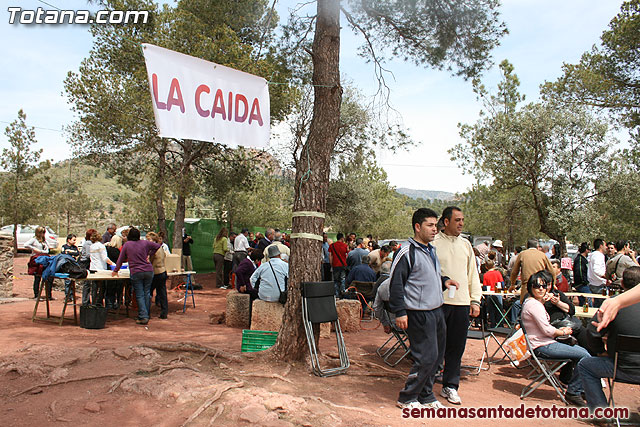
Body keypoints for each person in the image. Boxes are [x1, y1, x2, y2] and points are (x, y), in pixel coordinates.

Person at [390, 208, 459, 409]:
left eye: (435, 225)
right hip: (418, 312)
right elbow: (395, 284)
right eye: (430, 225)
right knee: (425, 357)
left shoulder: (431, 250)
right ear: (417, 227)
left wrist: (444, 281)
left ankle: (426, 396)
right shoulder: (405, 251)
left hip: (437, 310)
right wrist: (400, 312)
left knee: (437, 358)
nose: (435, 229)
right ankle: (407, 397)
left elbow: (430, 275)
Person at [432, 206, 481, 405]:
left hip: (461, 303)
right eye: (457, 220)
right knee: (434, 347)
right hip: (437, 303)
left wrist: (475, 299)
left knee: (456, 348)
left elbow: (473, 274)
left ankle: (450, 386)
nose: (461, 223)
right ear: (446, 222)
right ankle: (425, 386)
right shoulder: (433, 242)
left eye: (462, 220)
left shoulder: (466, 245)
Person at [521, 270, 589, 407]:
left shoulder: (534, 302)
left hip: (544, 343)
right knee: (585, 356)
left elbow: (570, 309)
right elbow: (547, 330)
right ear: (530, 288)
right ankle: (574, 391)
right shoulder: (534, 305)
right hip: (542, 346)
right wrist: (562, 332)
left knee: (582, 349)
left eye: (543, 286)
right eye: (537, 286)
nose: (541, 289)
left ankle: (578, 388)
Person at [579, 266, 640, 411]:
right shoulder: (614, 303)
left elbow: (592, 332)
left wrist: (600, 351)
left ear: (623, 284)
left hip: (619, 367)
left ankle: (602, 413)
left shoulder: (613, 304)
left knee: (585, 365)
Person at [112, 227, 161, 325]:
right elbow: (158, 245)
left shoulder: (127, 245)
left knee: (139, 294)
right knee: (147, 293)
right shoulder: (145, 243)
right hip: (148, 270)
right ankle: (146, 313)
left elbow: (120, 259)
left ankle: (143, 316)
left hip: (136, 271)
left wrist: (115, 270)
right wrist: (149, 255)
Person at [510, 238, 556, 303]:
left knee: (525, 305)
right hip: (540, 287)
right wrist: (553, 284)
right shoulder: (542, 255)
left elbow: (514, 272)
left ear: (527, 246)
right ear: (537, 246)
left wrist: (512, 284)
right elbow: (552, 271)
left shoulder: (522, 254)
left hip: (526, 286)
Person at [89, 230, 116, 305]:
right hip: (100, 269)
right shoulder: (101, 246)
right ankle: (99, 302)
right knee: (102, 287)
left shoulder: (91, 246)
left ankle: (94, 302)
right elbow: (105, 258)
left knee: (94, 287)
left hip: (93, 268)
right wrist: (113, 264)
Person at [25, 226, 51, 300]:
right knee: (37, 277)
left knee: (47, 277)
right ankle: (36, 295)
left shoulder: (44, 241)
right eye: (42, 232)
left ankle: (48, 295)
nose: (43, 234)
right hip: (37, 260)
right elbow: (26, 245)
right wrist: (35, 249)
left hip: (45, 258)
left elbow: (48, 249)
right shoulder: (34, 239)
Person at [147, 232, 168, 319]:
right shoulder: (161, 248)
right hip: (163, 271)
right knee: (162, 292)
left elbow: (149, 261)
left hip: (156, 273)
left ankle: (147, 313)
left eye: (148, 239)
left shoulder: (154, 249)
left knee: (148, 292)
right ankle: (164, 312)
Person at [482, 259, 505, 328]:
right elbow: (502, 283)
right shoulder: (498, 273)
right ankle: (500, 324)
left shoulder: (485, 275)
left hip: (490, 293)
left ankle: (493, 324)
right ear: (494, 266)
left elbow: (485, 286)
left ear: (486, 267)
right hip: (498, 292)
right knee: (499, 308)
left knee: (491, 310)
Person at [588, 239, 607, 306]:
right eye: (605, 245)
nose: (606, 247)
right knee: (601, 305)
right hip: (598, 285)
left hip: (593, 283)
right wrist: (605, 276)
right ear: (601, 246)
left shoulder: (593, 255)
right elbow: (596, 270)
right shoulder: (599, 255)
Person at [61, 234, 80, 301]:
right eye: (73, 240)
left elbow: (77, 253)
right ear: (69, 240)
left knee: (72, 281)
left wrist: (69, 253)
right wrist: (70, 254)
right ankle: (68, 296)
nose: (75, 241)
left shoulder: (75, 247)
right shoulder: (64, 246)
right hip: (66, 265)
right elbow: (63, 253)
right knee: (67, 281)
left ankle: (72, 295)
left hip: (73, 265)